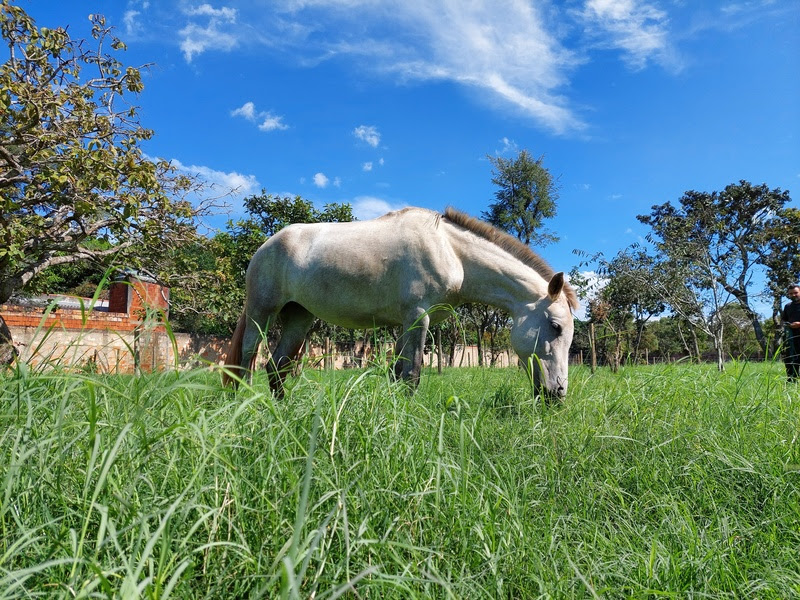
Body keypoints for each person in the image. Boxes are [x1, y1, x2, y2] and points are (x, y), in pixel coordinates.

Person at [782, 284, 800, 382]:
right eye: (791, 294)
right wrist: (787, 325)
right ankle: (792, 383)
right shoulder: (788, 306)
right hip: (792, 339)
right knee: (790, 361)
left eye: (796, 293)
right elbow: (784, 320)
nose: (793, 295)